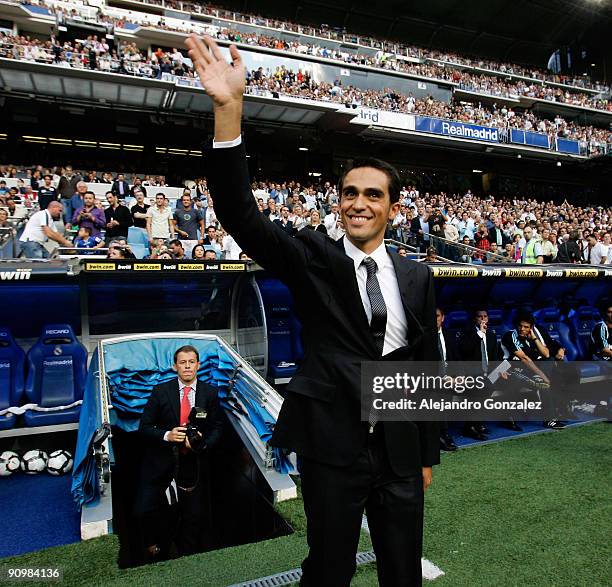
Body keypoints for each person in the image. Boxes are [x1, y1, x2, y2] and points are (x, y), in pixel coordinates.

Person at [187, 34, 439, 586]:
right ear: (338, 200)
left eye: (373, 195)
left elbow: (425, 366)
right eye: (349, 192)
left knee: (403, 573)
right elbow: (241, 216)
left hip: (398, 455)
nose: (358, 202)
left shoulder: (418, 275)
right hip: (332, 450)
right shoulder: (312, 258)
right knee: (328, 571)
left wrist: (425, 455)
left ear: (392, 208)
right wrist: (229, 114)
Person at [137, 345, 223, 558]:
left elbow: (218, 427)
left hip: (194, 464)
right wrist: (167, 435)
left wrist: (202, 444)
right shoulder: (160, 392)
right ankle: (155, 550)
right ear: (175, 366)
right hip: (162, 463)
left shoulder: (209, 393)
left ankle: (189, 553)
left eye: (191, 362)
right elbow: (144, 427)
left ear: (198, 365)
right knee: (153, 510)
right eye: (182, 363)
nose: (187, 366)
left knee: (193, 514)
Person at [435, 307, 458, 452]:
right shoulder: (424, 336)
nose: (434, 319)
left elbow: (456, 358)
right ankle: (442, 435)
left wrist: (457, 376)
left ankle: (443, 433)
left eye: (437, 316)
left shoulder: (449, 335)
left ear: (443, 318)